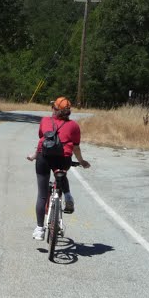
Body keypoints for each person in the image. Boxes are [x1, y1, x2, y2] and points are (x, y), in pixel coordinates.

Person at [26, 97, 90, 241]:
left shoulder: (45, 121)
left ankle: (39, 229)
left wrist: (34, 155)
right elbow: (76, 147)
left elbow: (42, 141)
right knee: (61, 175)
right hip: (63, 159)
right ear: (68, 112)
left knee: (42, 195)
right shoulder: (74, 126)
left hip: (44, 158)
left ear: (54, 109)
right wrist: (81, 161)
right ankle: (67, 197)